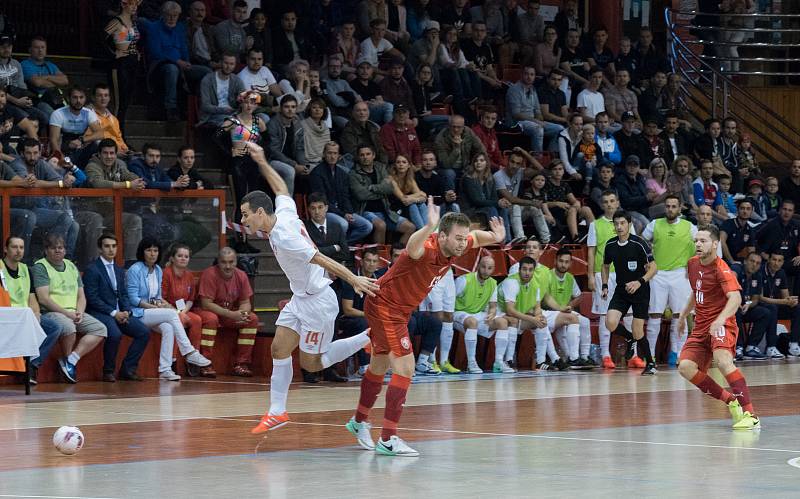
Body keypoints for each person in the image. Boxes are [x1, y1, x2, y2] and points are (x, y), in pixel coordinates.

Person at [234, 143, 379, 433]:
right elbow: (282, 190)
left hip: (318, 303)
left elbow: (321, 258)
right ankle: (277, 412)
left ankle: (367, 338)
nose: (242, 220)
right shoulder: (283, 213)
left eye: (245, 214)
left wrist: (354, 279)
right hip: (301, 299)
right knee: (279, 349)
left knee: (313, 365)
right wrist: (262, 160)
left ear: (260, 213)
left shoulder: (286, 236)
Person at [345, 201, 505, 457]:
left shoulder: (457, 245)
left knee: (379, 365)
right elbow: (412, 247)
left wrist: (495, 237)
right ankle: (388, 438)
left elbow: (476, 236)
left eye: (464, 239)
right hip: (386, 307)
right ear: (441, 236)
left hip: (395, 308)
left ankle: (359, 421)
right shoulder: (428, 247)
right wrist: (428, 225)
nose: (464, 243)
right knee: (405, 368)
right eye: (458, 239)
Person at [677, 224, 760, 430]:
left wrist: (720, 319)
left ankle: (751, 415)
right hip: (701, 327)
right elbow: (697, 292)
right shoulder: (692, 264)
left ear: (715, 244)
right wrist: (683, 314)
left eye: (703, 241)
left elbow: (736, 297)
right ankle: (730, 400)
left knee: (723, 361)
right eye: (696, 240)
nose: (698, 244)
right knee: (685, 367)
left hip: (720, 324)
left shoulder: (722, 269)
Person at [127, 237, 212, 381]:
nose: (152, 254)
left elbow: (158, 295)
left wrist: (160, 304)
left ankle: (165, 369)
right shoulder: (135, 269)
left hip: (152, 311)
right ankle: (189, 351)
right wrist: (153, 307)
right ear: (142, 252)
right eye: (149, 250)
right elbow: (133, 298)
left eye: (155, 250)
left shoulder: (158, 270)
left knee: (168, 328)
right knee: (172, 314)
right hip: (137, 313)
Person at [33, 234, 108, 383]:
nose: (57, 251)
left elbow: (81, 295)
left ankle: (70, 361)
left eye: (60, 248)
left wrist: (79, 311)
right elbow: (43, 298)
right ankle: (68, 363)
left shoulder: (71, 266)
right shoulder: (40, 267)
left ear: (65, 250)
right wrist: (68, 314)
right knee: (69, 327)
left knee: (100, 329)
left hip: (73, 312)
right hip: (51, 312)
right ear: (46, 250)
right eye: (53, 248)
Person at [83, 233, 152, 383]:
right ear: (100, 249)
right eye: (107, 246)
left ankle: (128, 369)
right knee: (114, 334)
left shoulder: (119, 270)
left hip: (119, 312)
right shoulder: (93, 269)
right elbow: (92, 298)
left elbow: (124, 294)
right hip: (99, 312)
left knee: (143, 332)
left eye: (114, 246)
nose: (111, 250)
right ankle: (108, 371)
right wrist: (114, 313)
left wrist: (127, 311)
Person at [601, 210, 658, 375]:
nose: (619, 227)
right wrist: (604, 285)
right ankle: (629, 338)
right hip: (621, 290)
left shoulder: (639, 243)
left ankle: (651, 363)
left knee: (638, 330)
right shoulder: (610, 245)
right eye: (616, 224)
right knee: (610, 323)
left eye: (622, 223)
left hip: (640, 290)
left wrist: (639, 281)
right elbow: (605, 266)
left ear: (629, 224)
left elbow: (654, 268)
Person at [642, 195, 697, 366]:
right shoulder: (655, 224)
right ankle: (649, 355)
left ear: (680, 208)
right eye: (668, 206)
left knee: (679, 316)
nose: (671, 209)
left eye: (674, 206)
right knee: (654, 315)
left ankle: (677, 353)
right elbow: (641, 241)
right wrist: (647, 260)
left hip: (680, 274)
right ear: (664, 207)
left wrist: (692, 267)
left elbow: (700, 247)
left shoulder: (690, 227)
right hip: (658, 273)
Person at [1, 236, 63, 385]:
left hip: (25, 317)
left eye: (21, 248)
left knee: (54, 327)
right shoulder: (1, 269)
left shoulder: (26, 269)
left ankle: (31, 365)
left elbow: (32, 297)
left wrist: (36, 314)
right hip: (7, 318)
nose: (18, 251)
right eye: (14, 247)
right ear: (5, 249)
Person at [138, 1, 211, 121]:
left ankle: (200, 107)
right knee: (172, 69)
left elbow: (184, 49)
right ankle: (171, 108)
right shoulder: (153, 28)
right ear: (163, 14)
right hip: (160, 65)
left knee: (206, 72)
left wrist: (186, 62)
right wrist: (177, 61)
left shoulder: (179, 28)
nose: (172, 18)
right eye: (169, 15)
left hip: (181, 64)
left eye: (175, 15)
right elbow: (156, 53)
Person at [499, 256, 567, 370]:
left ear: (534, 271)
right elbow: (510, 310)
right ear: (519, 269)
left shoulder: (535, 285)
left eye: (530, 270)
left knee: (541, 321)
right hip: (498, 313)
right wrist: (532, 319)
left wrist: (539, 316)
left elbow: (537, 308)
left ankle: (541, 362)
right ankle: (508, 360)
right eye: (524, 269)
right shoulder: (511, 282)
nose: (527, 272)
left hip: (517, 315)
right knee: (514, 320)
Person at [161, 243, 217, 377]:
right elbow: (161, 298)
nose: (183, 259)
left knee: (197, 320)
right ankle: (173, 361)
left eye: (186, 256)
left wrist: (183, 311)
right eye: (179, 256)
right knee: (178, 320)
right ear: (173, 258)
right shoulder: (166, 273)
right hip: (167, 309)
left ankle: (192, 359)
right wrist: (176, 312)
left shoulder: (189, 276)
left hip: (183, 310)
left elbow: (191, 299)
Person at [84, 138, 145, 259]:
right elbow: (98, 184)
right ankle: (94, 263)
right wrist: (127, 185)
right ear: (99, 154)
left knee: (135, 220)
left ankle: (130, 262)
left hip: (110, 213)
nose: (109, 156)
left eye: (112, 153)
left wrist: (138, 181)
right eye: (105, 153)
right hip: (89, 211)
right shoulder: (92, 166)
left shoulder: (119, 164)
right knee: (96, 220)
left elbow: (130, 176)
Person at [454, 255, 513, 373]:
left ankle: (498, 362)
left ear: (493, 269)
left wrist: (491, 313)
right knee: (472, 321)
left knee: (502, 322)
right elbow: (449, 300)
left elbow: (493, 306)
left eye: (489, 268)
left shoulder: (492, 283)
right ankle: (471, 363)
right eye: (483, 267)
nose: (486, 271)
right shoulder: (464, 280)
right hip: (458, 313)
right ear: (478, 266)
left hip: (477, 314)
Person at [350, 144, 416, 244]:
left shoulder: (380, 168)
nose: (365, 157)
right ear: (358, 157)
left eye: (368, 154)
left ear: (373, 155)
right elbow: (361, 195)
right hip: (365, 211)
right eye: (362, 155)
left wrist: (373, 188)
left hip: (386, 211)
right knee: (381, 225)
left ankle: (396, 253)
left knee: (410, 227)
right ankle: (380, 257)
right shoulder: (353, 173)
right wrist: (381, 191)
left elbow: (389, 188)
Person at [309, 142, 373, 243]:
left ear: (339, 156)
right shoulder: (317, 173)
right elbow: (321, 200)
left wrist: (348, 212)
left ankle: (344, 244)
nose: (332, 156)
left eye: (335, 153)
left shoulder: (342, 173)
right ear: (324, 154)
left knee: (366, 226)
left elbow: (345, 196)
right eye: (329, 153)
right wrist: (343, 214)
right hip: (325, 211)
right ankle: (338, 246)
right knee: (343, 224)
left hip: (341, 211)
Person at [548, 247, 595, 367]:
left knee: (585, 321)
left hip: (564, 312)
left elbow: (578, 297)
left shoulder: (569, 277)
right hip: (550, 312)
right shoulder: (548, 276)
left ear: (570, 263)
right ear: (555, 261)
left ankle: (584, 356)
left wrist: (569, 306)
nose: (563, 264)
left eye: (566, 262)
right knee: (568, 321)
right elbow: (545, 298)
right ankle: (573, 357)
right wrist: (560, 308)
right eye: (561, 261)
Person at [506, 66, 563, 153]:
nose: (529, 77)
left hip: (533, 121)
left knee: (559, 129)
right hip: (517, 123)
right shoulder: (514, 89)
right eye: (526, 74)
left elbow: (537, 110)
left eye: (532, 74)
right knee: (538, 128)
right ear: (521, 75)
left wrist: (540, 119)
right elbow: (516, 114)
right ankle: (538, 158)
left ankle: (551, 157)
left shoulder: (533, 89)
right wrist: (536, 121)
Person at [104, 0, 140, 130]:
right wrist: (113, 54)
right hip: (120, 64)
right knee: (120, 102)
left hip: (132, 62)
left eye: (136, 5)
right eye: (131, 4)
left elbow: (127, 40)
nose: (134, 7)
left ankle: (120, 134)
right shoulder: (116, 22)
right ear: (123, 5)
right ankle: (116, 134)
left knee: (126, 101)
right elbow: (101, 39)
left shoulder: (133, 22)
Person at [48, 86, 104, 168]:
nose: (78, 101)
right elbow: (54, 140)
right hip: (63, 147)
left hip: (80, 147)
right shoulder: (58, 113)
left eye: (81, 97)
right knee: (54, 164)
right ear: (68, 98)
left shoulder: (88, 113)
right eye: (75, 97)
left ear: (85, 99)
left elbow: (100, 134)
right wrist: (61, 157)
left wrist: (82, 140)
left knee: (99, 143)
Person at [731, 251, 771, 360]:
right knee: (735, 310)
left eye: (758, 263)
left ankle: (751, 347)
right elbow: (731, 281)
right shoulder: (738, 268)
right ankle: (738, 347)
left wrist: (748, 304)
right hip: (731, 308)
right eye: (752, 261)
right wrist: (736, 301)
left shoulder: (758, 275)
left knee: (765, 312)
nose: (754, 265)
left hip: (745, 308)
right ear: (745, 261)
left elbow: (755, 299)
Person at [759, 252, 800, 357]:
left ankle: (794, 344)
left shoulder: (781, 273)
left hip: (776, 304)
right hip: (761, 304)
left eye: (779, 261)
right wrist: (783, 301)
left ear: (783, 262)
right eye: (774, 259)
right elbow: (760, 297)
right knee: (772, 308)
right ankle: (771, 347)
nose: (776, 263)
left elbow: (786, 297)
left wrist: (792, 300)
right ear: (769, 260)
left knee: (797, 307)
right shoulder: (760, 271)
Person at [20, 35, 69, 122]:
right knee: (54, 117)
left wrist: (46, 77)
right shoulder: (25, 64)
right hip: (36, 101)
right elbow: (37, 83)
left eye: (43, 47)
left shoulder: (50, 65)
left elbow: (65, 81)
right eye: (36, 47)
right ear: (30, 50)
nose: (40, 50)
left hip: (54, 99)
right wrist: (55, 81)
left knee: (70, 114)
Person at [304, 192, 351, 265]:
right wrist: (334, 248)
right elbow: (308, 253)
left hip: (335, 271)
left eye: (320, 207)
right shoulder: (305, 228)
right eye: (313, 208)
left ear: (326, 208)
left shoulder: (336, 226)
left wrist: (321, 252)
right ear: (309, 209)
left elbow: (345, 253)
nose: (317, 212)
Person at [198, 53, 245, 127]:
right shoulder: (207, 80)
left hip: (233, 114)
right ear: (220, 63)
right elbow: (205, 106)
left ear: (235, 65)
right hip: (212, 116)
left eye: (231, 64)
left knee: (250, 123)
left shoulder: (237, 80)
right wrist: (224, 110)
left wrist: (241, 100)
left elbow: (244, 100)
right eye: (226, 63)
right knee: (234, 123)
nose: (228, 67)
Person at [89, 83, 131, 157]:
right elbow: (94, 141)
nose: (103, 98)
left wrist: (126, 150)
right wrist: (114, 152)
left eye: (106, 95)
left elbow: (119, 138)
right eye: (99, 95)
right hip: (102, 154)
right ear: (93, 97)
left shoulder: (113, 119)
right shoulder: (88, 114)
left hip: (118, 153)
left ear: (109, 98)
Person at [720, 198, 757, 265]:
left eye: (748, 209)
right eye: (742, 208)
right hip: (723, 260)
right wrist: (731, 261)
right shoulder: (728, 223)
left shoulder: (750, 229)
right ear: (737, 210)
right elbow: (722, 241)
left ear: (752, 211)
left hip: (738, 261)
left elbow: (752, 251)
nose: (745, 211)